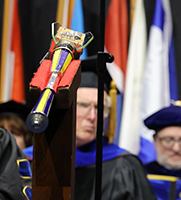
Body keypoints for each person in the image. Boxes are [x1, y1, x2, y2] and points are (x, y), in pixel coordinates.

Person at [24, 60, 157, 199]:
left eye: (100, 108)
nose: (93, 117)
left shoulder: (124, 165)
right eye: (83, 105)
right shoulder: (29, 161)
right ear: (63, 110)